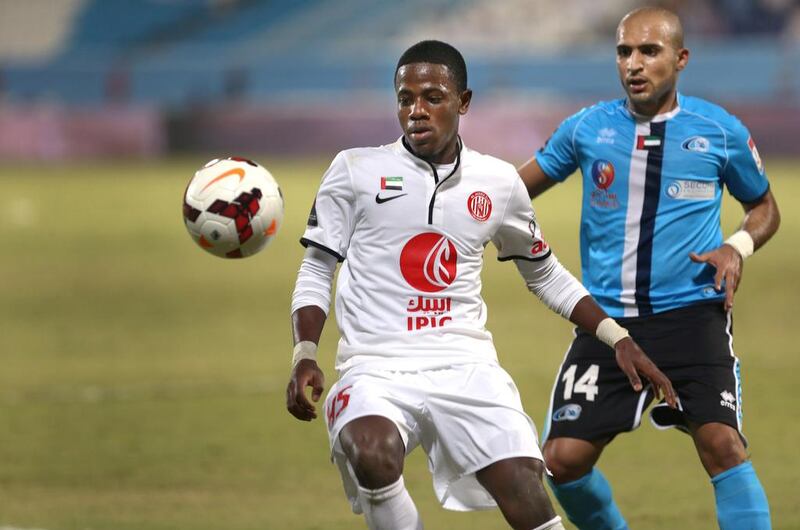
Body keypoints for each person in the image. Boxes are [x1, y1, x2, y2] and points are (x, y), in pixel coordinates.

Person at [285, 40, 676, 530]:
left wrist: (617, 338)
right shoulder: (355, 170)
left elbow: (544, 272)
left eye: (432, 97)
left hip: (466, 366)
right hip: (375, 367)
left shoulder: (497, 182)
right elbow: (318, 267)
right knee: (371, 451)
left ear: (463, 102)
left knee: (525, 487)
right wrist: (305, 353)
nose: (416, 111)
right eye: (405, 99)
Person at [518, 7, 781, 530]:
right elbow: (509, 192)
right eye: (624, 52)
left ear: (680, 59)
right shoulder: (587, 128)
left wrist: (737, 247)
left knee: (722, 444)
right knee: (561, 461)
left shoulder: (719, 131)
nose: (634, 64)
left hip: (692, 315)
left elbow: (766, 208)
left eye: (649, 51)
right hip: (610, 323)